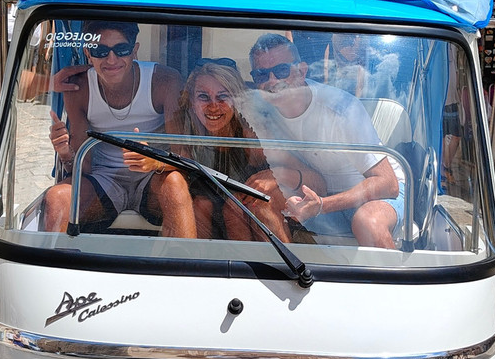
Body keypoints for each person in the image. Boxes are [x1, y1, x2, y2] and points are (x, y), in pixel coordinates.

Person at [246, 33, 403, 249]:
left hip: (373, 196)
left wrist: (322, 205)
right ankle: (291, 276)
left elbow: (388, 184)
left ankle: (391, 281)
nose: (272, 81)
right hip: (319, 196)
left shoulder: (340, 109)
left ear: (302, 71)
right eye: (261, 75)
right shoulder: (258, 107)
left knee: (368, 222)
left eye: (282, 71)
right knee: (258, 202)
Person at [127, 59, 312, 242]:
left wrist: (277, 175)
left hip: (247, 214)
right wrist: (151, 160)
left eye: (223, 97)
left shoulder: (251, 135)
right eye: (203, 97)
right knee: (203, 205)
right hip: (205, 211)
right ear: (191, 100)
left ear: (237, 100)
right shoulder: (187, 125)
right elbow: (181, 157)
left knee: (245, 206)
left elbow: (316, 179)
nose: (213, 106)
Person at [41, 21, 196, 237]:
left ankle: (185, 267)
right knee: (56, 198)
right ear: (88, 52)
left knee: (176, 185)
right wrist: (66, 152)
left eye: (121, 50)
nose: (111, 59)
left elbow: (184, 156)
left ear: (134, 50)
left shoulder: (164, 81)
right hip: (103, 178)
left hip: (153, 176)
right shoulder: (79, 87)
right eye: (101, 51)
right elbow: (83, 168)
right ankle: (50, 268)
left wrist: (154, 161)